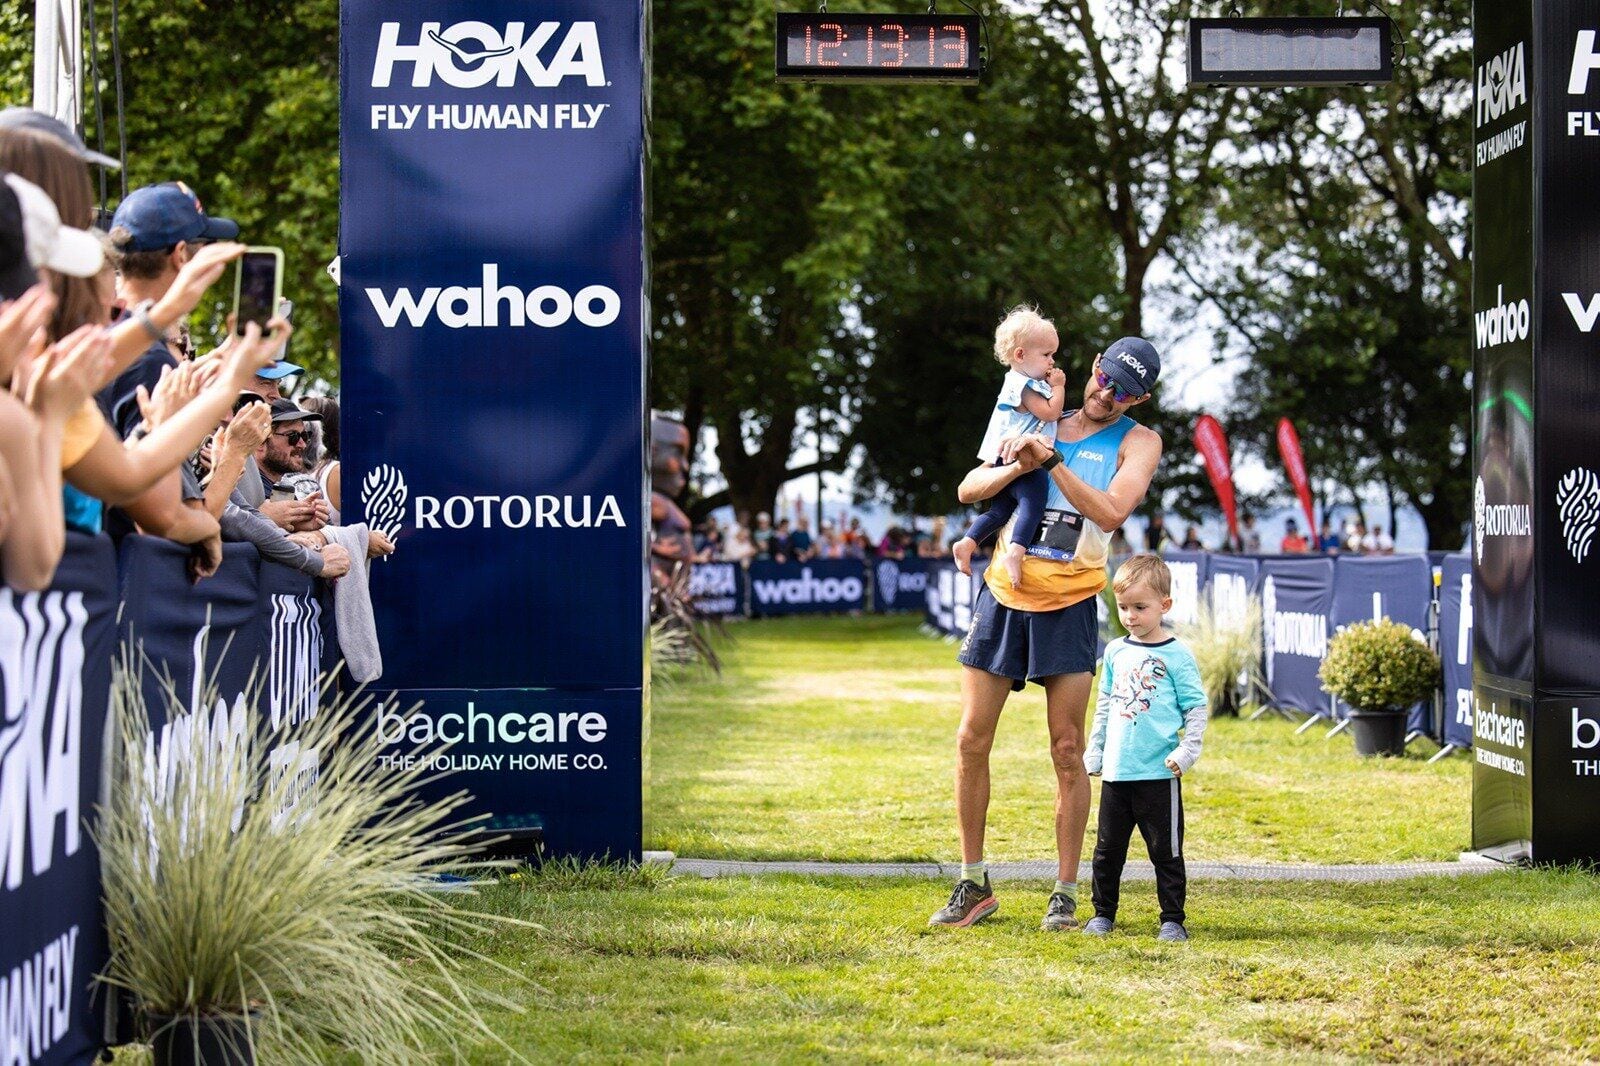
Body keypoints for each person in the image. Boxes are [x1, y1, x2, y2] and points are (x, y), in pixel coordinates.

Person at [929, 336, 1163, 932]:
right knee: (970, 741)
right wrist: (1018, 462)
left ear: (1141, 399)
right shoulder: (1037, 415)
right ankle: (972, 882)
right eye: (1105, 380)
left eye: (1124, 392)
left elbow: (1112, 513)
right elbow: (967, 490)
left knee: (1067, 750)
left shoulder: (1139, 441)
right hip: (1004, 596)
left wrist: (1053, 461)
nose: (1107, 396)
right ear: (1093, 368)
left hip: (1071, 602)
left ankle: (1064, 891)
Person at [1083, 555, 1208, 943]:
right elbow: (1104, 705)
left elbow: (1197, 709)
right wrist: (1096, 750)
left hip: (1159, 775)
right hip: (1118, 775)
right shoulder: (1117, 653)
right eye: (1123, 607)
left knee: (1165, 852)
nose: (1131, 616)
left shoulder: (1177, 656)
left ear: (1164, 606)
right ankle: (1103, 914)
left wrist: (1187, 752)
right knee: (1107, 852)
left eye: (1140, 607)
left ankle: (1172, 919)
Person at [949, 307, 1068, 588]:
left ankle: (968, 542)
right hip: (1025, 460)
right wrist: (1060, 387)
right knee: (1033, 506)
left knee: (998, 512)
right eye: (1047, 354)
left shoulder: (1014, 381)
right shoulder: (1026, 386)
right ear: (1020, 355)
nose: (1052, 361)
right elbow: (1050, 413)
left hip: (1003, 461)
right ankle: (1016, 552)